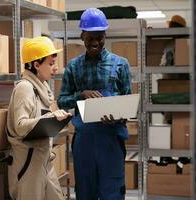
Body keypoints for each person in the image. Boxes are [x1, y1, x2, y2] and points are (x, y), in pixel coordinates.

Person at [57, 8, 132, 200]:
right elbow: (62, 101)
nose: (96, 42)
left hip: (111, 138)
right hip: (85, 141)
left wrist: (118, 115)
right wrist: (81, 95)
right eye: (91, 38)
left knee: (113, 191)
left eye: (100, 37)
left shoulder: (120, 64)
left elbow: (129, 103)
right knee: (85, 191)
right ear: (82, 35)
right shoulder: (73, 67)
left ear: (105, 35)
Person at [6, 36, 71, 200]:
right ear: (36, 65)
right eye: (50, 64)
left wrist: (54, 119)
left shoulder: (42, 88)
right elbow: (20, 125)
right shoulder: (25, 88)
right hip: (28, 163)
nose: (55, 68)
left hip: (44, 160)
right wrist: (50, 117)